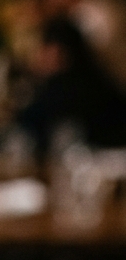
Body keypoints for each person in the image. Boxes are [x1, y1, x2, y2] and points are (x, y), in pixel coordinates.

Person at [16, 16, 126, 156]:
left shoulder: (68, 89)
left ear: (59, 51)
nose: (38, 55)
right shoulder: (97, 78)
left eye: (43, 46)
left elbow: (29, 124)